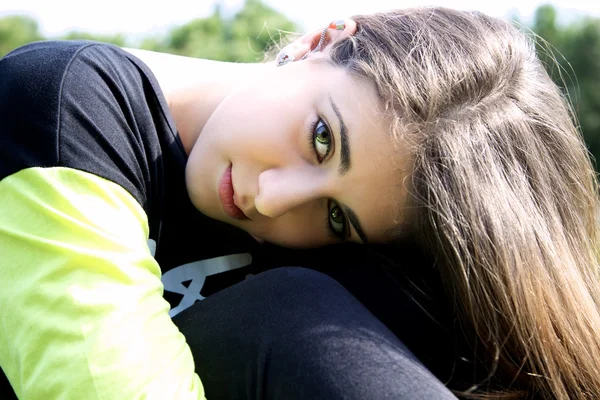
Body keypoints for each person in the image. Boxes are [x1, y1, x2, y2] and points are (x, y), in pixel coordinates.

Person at [0, 6, 598, 399]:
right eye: (321, 138)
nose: (272, 201)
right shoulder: (59, 108)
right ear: (322, 39)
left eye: (337, 218)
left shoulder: (366, 259)